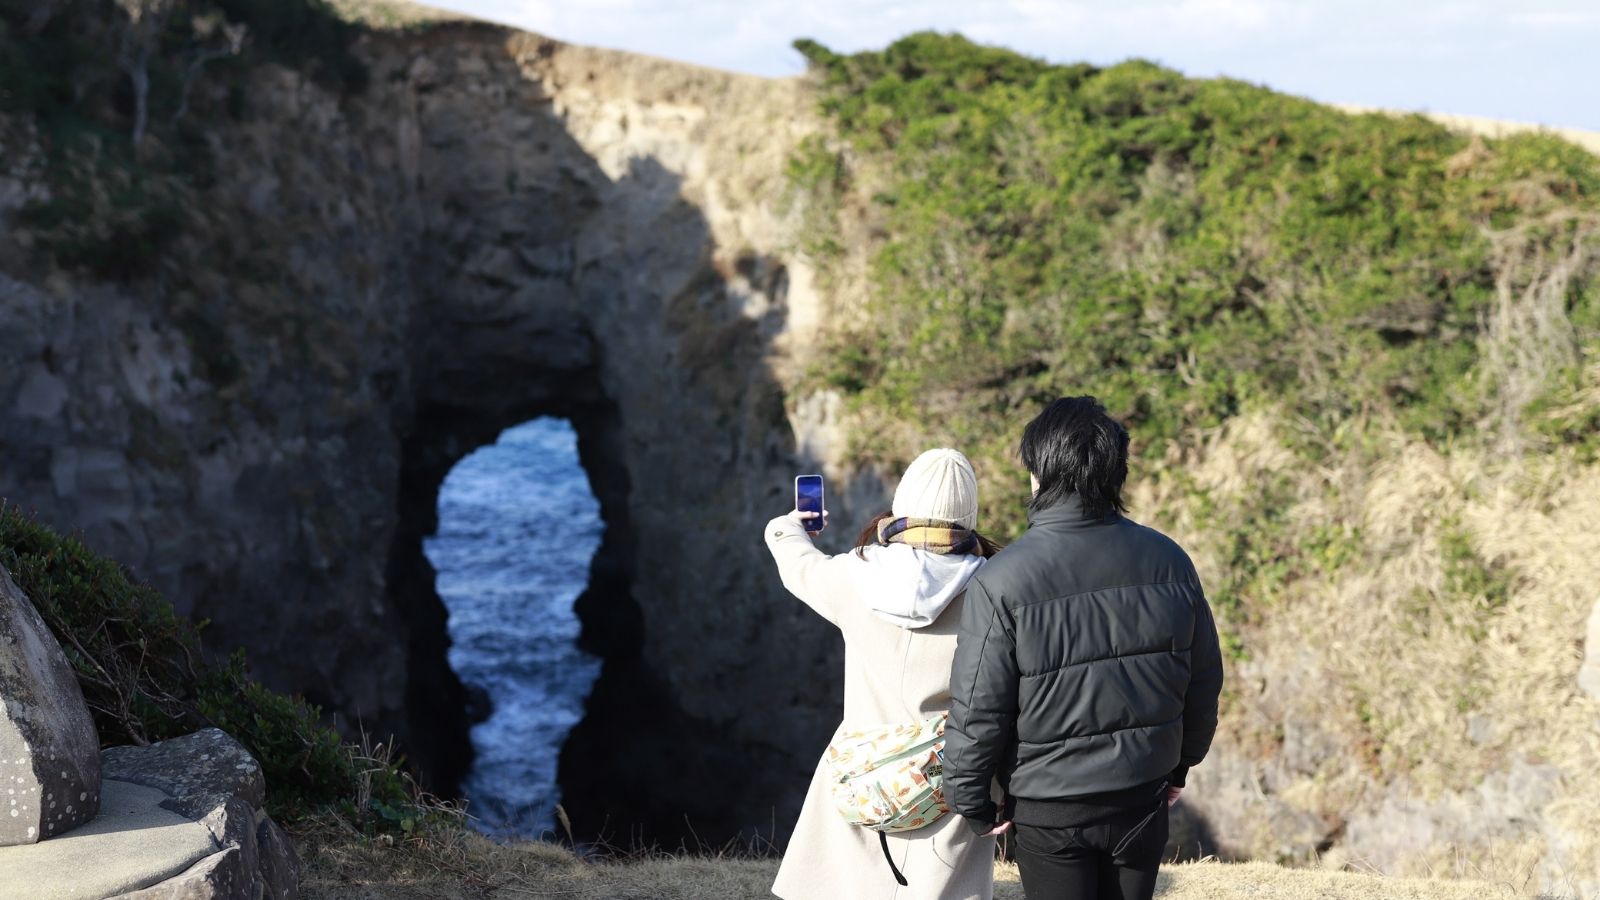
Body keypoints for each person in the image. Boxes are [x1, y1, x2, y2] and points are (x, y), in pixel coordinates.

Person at [943, 396, 1224, 900]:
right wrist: (1182, 763)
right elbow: (1202, 680)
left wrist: (971, 798)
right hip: (1143, 793)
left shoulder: (1004, 578)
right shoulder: (1171, 560)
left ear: (1038, 472)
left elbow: (980, 706)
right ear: (1116, 472)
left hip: (1049, 807)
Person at [766, 448, 1006, 900]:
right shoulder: (995, 587)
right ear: (967, 515)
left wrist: (786, 526)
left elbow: (796, 564)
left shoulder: (852, 576)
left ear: (902, 505)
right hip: (950, 772)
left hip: (862, 770)